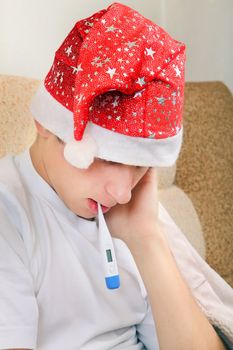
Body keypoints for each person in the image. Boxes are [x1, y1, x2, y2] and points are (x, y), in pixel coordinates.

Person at [0, 2, 232, 349]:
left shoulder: (135, 210)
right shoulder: (11, 213)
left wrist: (146, 239)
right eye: (107, 158)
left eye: (140, 166)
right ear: (45, 123)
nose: (123, 193)